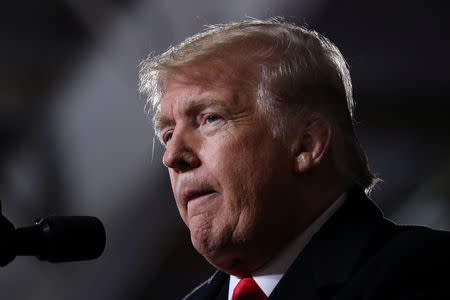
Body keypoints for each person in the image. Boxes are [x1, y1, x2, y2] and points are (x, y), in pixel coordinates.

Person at [139, 18, 450, 299]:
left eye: (210, 118)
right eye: (167, 134)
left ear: (306, 144)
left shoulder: (422, 273)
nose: (172, 156)